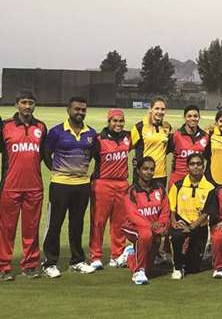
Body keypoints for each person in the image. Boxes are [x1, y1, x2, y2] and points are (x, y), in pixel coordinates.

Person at [42, 96, 97, 278]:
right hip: (60, 185)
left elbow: (92, 156)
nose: (80, 112)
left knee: (77, 225)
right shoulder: (56, 132)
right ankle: (49, 262)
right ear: (68, 110)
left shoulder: (91, 133)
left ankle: (77, 261)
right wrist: (59, 171)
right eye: (77, 109)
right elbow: (46, 154)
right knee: (55, 224)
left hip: (82, 186)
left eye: (83, 110)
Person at [0, 91, 47, 281]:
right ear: (17, 104)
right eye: (24, 102)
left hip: (34, 187)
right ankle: (3, 267)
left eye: (31, 103)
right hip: (10, 187)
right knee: (6, 229)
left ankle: (30, 265)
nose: (27, 106)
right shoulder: (5, 126)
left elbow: (43, 155)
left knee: (31, 229)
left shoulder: (41, 127)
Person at [89, 108, 132, 270]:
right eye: (115, 121)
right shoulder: (98, 139)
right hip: (102, 184)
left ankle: (117, 255)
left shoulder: (128, 137)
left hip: (122, 184)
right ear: (109, 122)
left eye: (121, 121)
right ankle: (96, 256)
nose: (118, 124)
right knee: (98, 222)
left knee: (119, 222)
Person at [121, 157, 170, 285]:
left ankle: (131, 255)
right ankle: (138, 271)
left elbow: (165, 211)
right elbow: (133, 216)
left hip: (153, 228)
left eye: (152, 169)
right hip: (132, 227)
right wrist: (151, 226)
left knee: (150, 268)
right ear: (138, 171)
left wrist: (162, 225)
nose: (149, 172)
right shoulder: (131, 191)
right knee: (145, 235)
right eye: (145, 169)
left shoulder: (159, 189)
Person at [168, 154, 214, 279]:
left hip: (199, 227)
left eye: (199, 164)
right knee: (177, 235)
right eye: (192, 164)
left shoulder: (210, 188)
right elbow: (171, 209)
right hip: (182, 224)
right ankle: (177, 268)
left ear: (203, 167)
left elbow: (207, 212)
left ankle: (186, 261)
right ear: (187, 167)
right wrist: (174, 223)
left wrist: (192, 226)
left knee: (193, 268)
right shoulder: (178, 185)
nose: (196, 167)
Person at [131, 97, 172, 189]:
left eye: (162, 109)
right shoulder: (139, 127)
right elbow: (127, 147)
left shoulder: (167, 127)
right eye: (157, 108)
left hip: (161, 175)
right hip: (143, 175)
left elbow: (166, 148)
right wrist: (136, 160)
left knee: (158, 203)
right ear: (150, 109)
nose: (160, 112)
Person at [167, 105, 209, 188]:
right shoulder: (176, 135)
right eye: (189, 116)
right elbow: (162, 152)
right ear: (184, 118)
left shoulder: (205, 136)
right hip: (177, 180)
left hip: (197, 181)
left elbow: (210, 157)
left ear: (199, 117)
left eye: (195, 116)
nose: (192, 119)